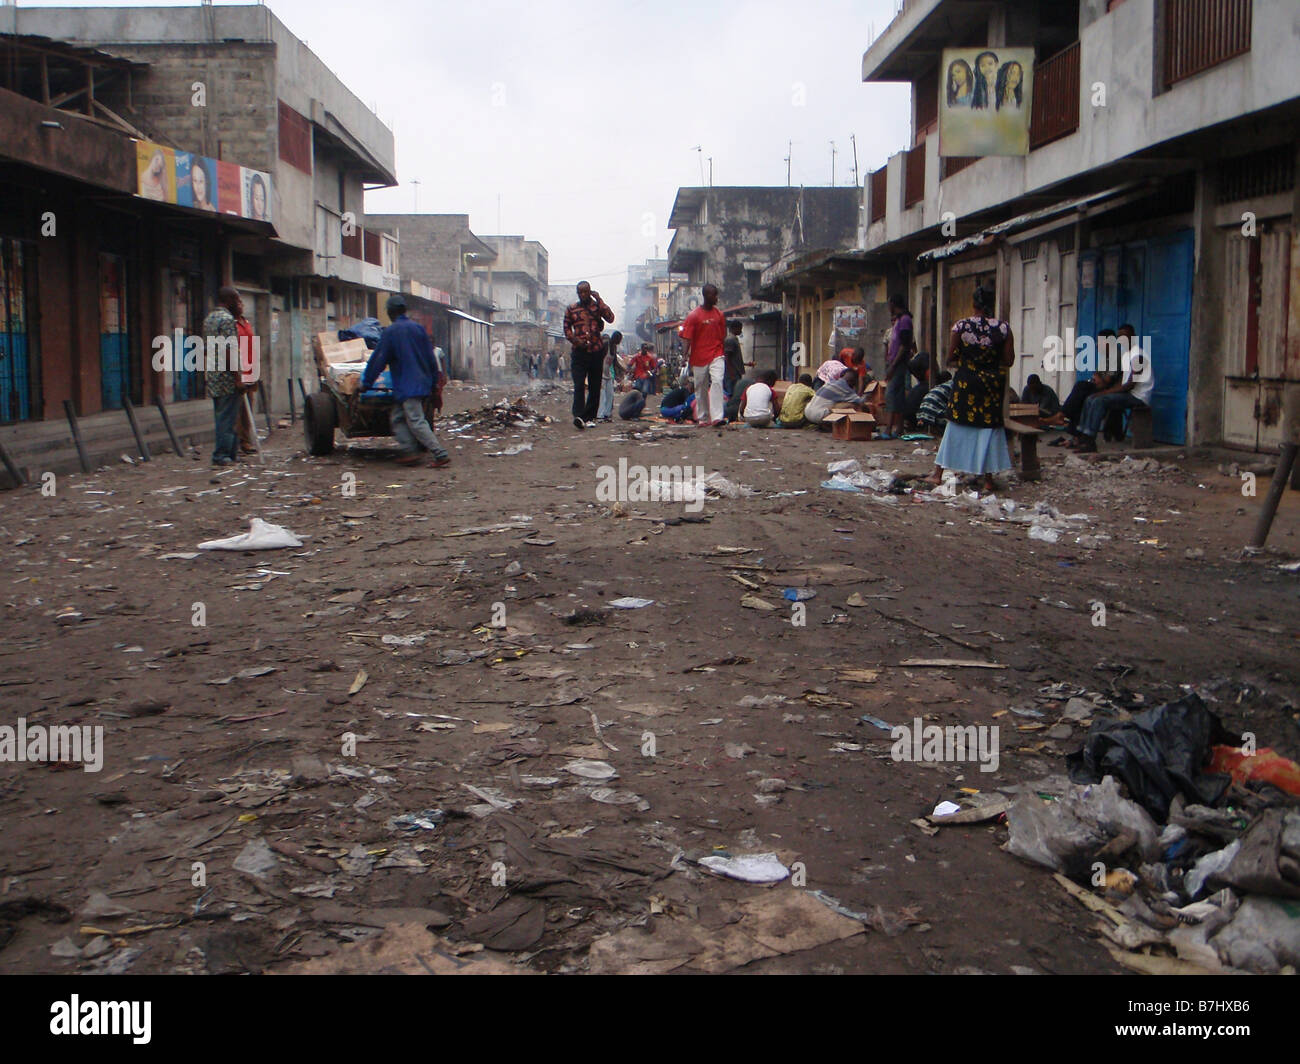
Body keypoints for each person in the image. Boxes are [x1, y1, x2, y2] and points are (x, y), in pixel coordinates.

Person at [925, 285, 1014, 493]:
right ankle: (988, 480)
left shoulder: (961, 327)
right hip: (992, 385)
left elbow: (950, 357)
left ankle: (937, 474)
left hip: (967, 383)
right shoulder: (1003, 329)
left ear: (973, 304)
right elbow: (1008, 360)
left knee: (956, 425)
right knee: (988, 428)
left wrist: (967, 359)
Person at [361, 294, 450, 468]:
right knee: (398, 417)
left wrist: (366, 383)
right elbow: (431, 359)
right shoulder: (419, 329)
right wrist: (433, 383)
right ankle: (410, 451)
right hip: (421, 383)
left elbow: (379, 359)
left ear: (390, 312)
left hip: (407, 385)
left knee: (415, 420)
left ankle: (439, 453)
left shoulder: (391, 332)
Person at [1068, 325, 1154, 453]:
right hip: (1129, 394)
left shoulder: (1138, 355)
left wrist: (1105, 393)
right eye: (1120, 337)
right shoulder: (1127, 355)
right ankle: (1082, 437)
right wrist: (1104, 392)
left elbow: (1130, 384)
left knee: (1099, 401)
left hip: (1138, 397)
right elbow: (1121, 382)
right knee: (1090, 398)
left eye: (1125, 336)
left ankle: (1090, 440)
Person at [563, 281, 614, 429]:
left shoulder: (597, 307)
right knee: (579, 384)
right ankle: (578, 415)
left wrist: (599, 299)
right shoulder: (571, 309)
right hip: (579, 352)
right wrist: (576, 341)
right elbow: (566, 329)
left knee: (595, 386)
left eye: (586, 292)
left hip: (596, 351)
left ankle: (588, 416)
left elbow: (610, 318)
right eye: (581, 292)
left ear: (590, 291)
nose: (583, 295)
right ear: (578, 293)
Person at [202, 287, 242, 466]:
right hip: (226, 377)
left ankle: (230, 453)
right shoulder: (227, 320)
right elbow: (230, 350)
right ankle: (222, 455)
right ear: (230, 300)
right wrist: (237, 377)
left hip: (213, 374)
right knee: (227, 416)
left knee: (222, 415)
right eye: (237, 300)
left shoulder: (209, 320)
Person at [680, 283, 727, 426]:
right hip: (699, 357)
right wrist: (684, 356)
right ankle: (703, 417)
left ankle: (717, 416)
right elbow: (687, 338)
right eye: (714, 295)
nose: (717, 298)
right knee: (700, 386)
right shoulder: (693, 316)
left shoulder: (719, 315)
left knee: (717, 381)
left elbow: (722, 335)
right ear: (706, 296)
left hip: (716, 354)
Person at [882, 293, 914, 440]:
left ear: (893, 304)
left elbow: (904, 345)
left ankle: (888, 429)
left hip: (898, 364)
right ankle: (899, 428)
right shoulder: (900, 321)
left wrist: (893, 365)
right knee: (899, 395)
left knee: (891, 395)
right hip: (895, 363)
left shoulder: (905, 321)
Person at [234, 300, 260, 455]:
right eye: (238, 303)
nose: (241, 305)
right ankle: (239, 441)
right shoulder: (231, 324)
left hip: (250, 369)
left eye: (242, 303)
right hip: (238, 370)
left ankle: (246, 439)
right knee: (238, 407)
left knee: (248, 406)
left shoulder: (246, 323)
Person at [597, 330, 624, 421]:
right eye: (619, 339)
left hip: (608, 374)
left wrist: (623, 369)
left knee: (610, 395)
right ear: (616, 338)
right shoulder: (605, 345)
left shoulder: (614, 347)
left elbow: (615, 361)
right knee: (602, 396)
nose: (620, 341)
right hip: (600, 373)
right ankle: (600, 415)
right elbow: (598, 357)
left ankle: (607, 414)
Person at [917, 371, 954, 436]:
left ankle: (934, 430)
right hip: (932, 412)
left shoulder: (939, 387)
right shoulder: (953, 386)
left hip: (922, 412)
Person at [723, 320, 746, 398]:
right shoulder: (730, 340)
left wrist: (746, 364)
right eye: (740, 329)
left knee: (735, 392)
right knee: (732, 394)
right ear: (734, 328)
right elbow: (727, 358)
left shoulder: (734, 339)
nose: (740, 331)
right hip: (732, 374)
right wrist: (731, 373)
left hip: (735, 372)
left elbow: (734, 358)